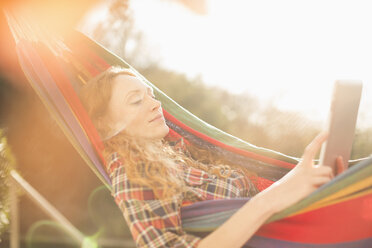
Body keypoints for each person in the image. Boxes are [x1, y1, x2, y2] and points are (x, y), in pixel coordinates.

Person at [79, 66, 345, 248]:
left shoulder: (170, 157)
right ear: (105, 124)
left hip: (291, 223)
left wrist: (299, 182)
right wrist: (276, 198)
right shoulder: (131, 171)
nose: (155, 103)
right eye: (136, 100)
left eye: (151, 95)